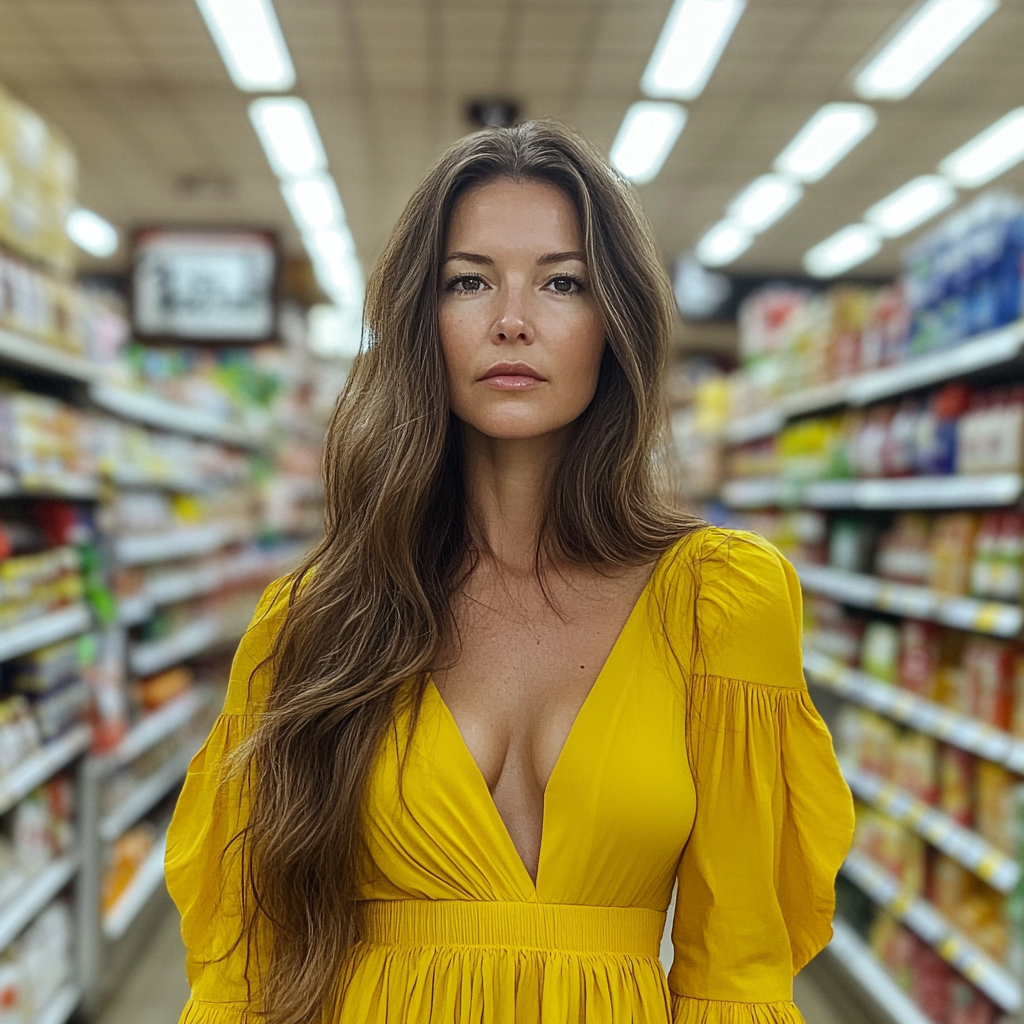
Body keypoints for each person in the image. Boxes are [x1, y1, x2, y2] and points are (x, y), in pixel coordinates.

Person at [166, 120, 854, 1024]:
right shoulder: (315, 620)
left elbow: (739, 975)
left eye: (562, 282)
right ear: (423, 320)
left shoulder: (719, 600)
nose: (512, 320)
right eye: (469, 281)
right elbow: (242, 974)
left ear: (615, 322)